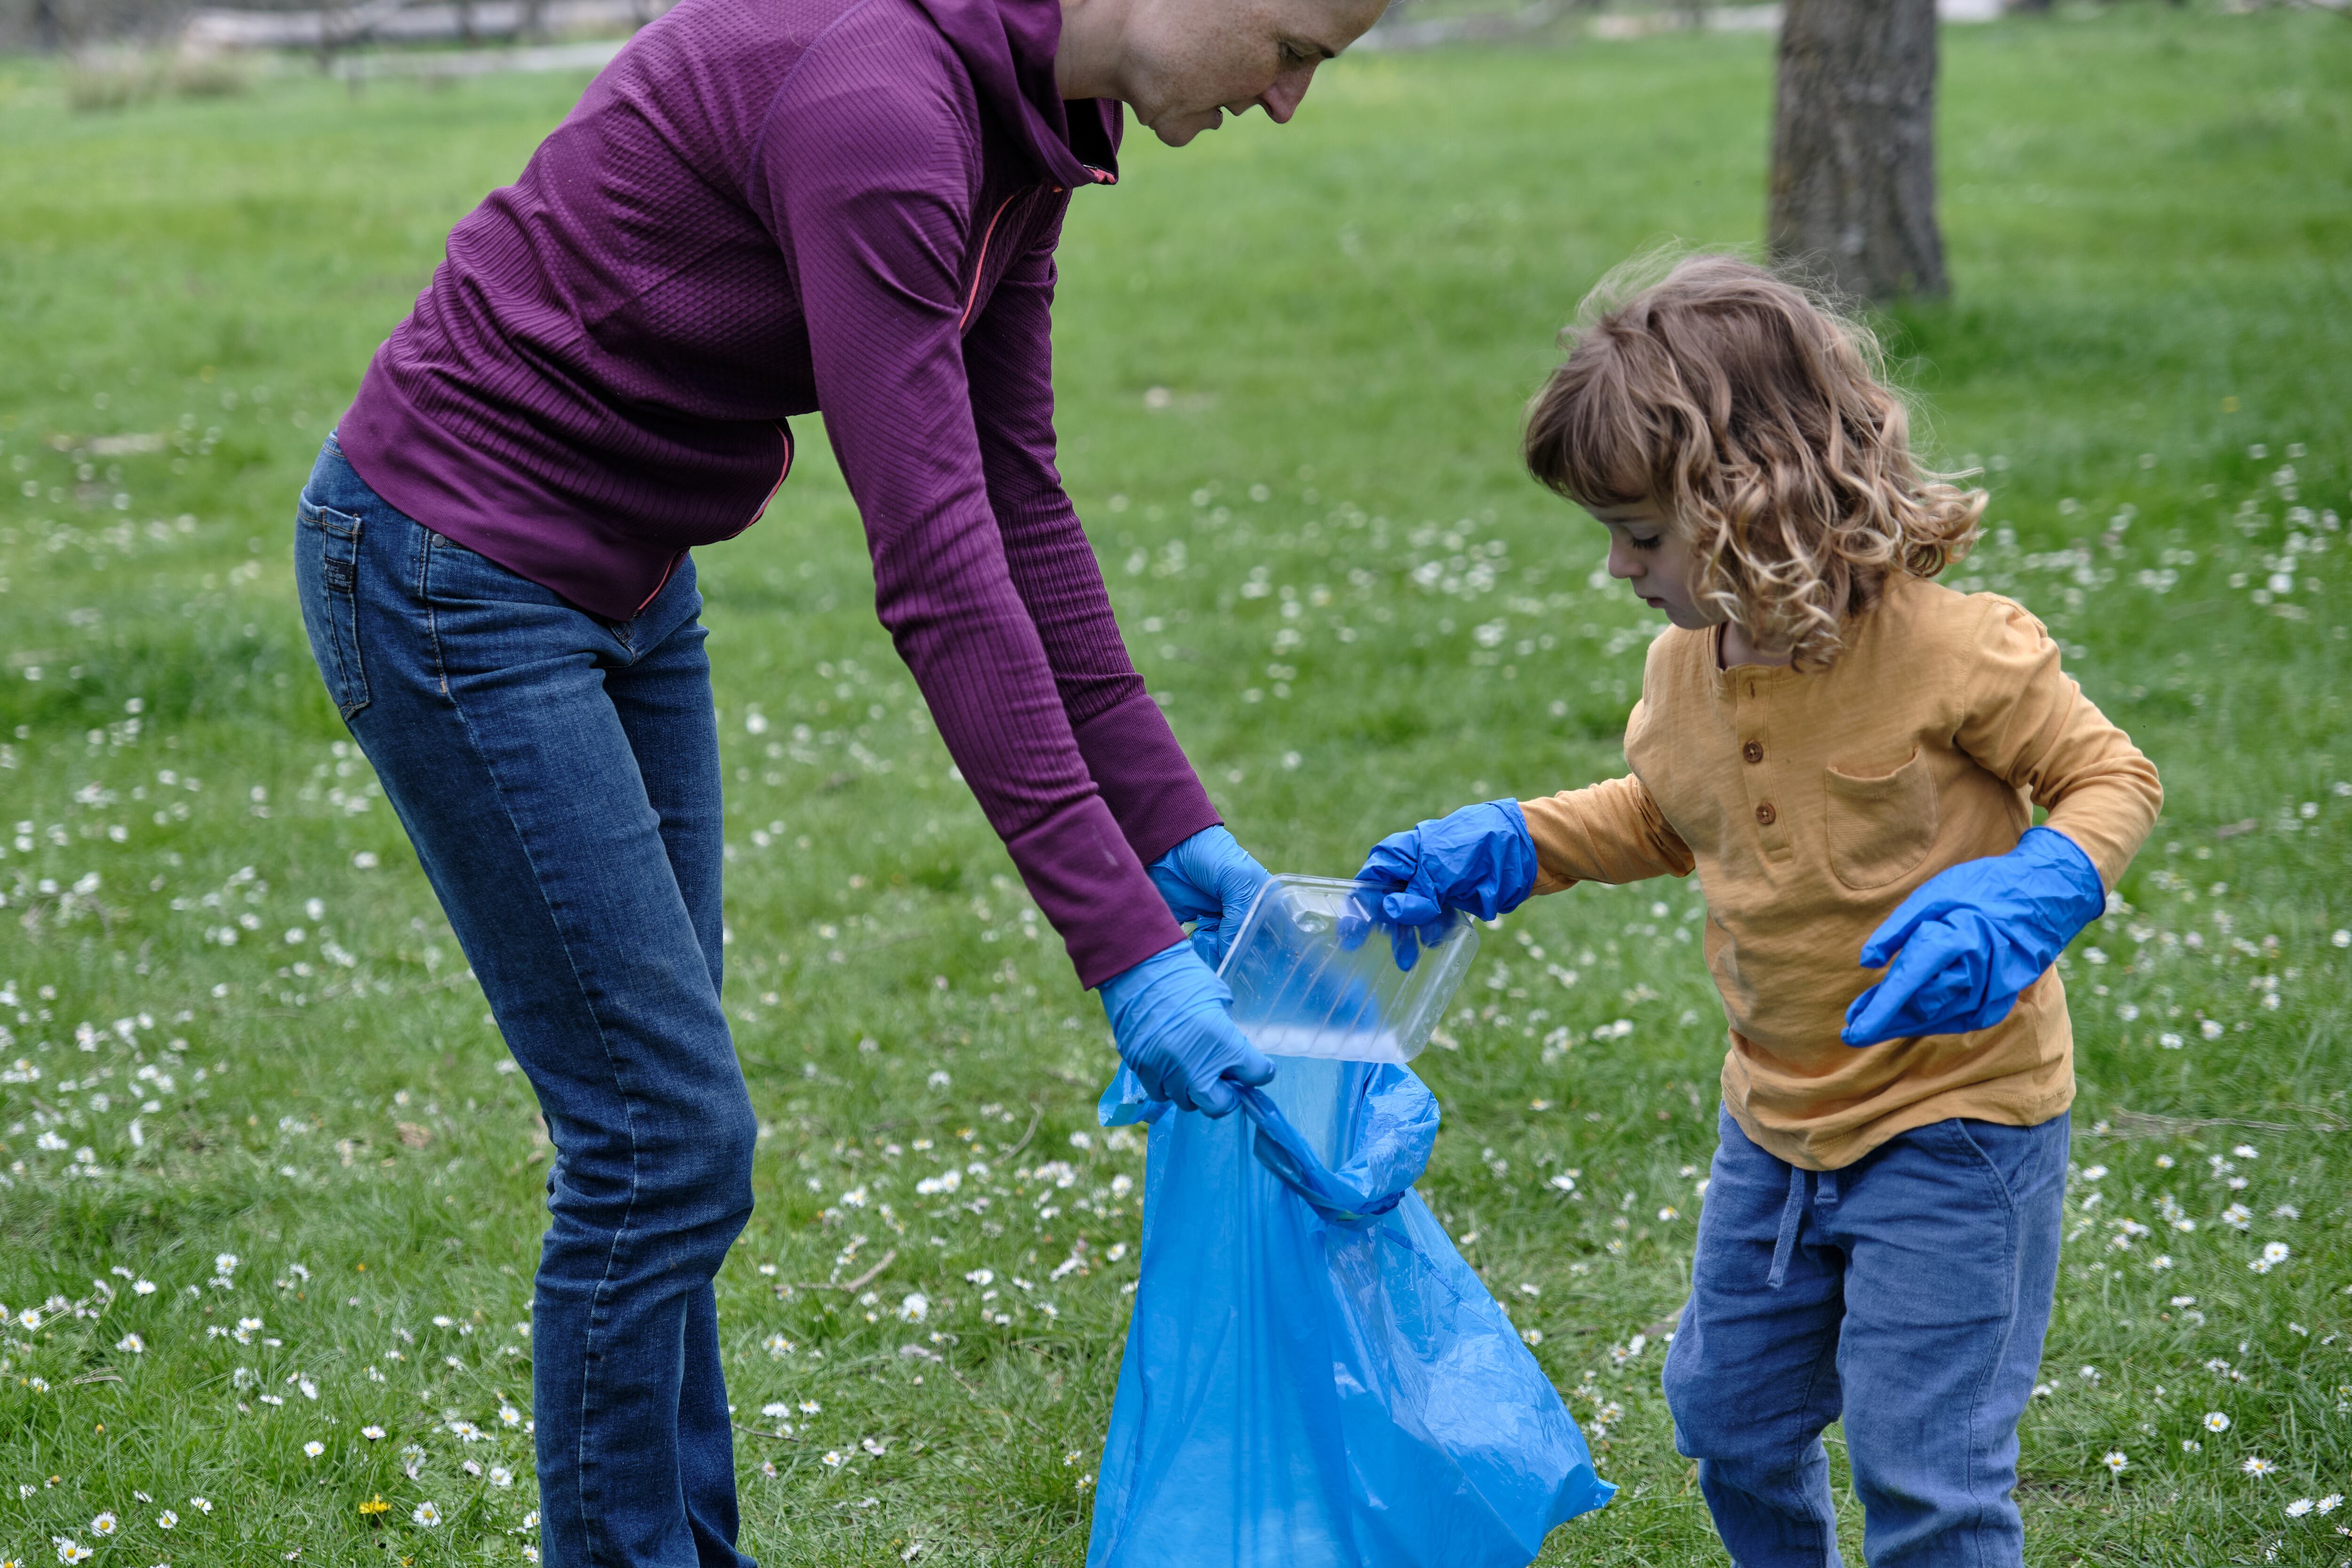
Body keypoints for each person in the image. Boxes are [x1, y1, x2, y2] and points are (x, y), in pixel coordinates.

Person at [290, 0, 1385, 1558]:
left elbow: (1019, 500)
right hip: (448, 572)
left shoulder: (1031, 127)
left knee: (661, 1148)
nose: (1287, 103)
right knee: (662, 1142)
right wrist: (1125, 954)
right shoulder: (882, 111)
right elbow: (937, 566)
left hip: (625, 579)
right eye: (1293, 49)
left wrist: (1176, 831)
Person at [1352, 254, 2162, 1568]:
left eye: (1641, 533)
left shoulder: (1956, 650)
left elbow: (2109, 775)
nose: (1618, 568)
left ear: (1759, 501)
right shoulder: (1686, 675)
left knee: (1929, 1477)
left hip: (1957, 1125)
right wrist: (1514, 844)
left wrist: (2040, 889)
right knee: (1728, 1422)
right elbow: (1673, 818)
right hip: (1776, 1130)